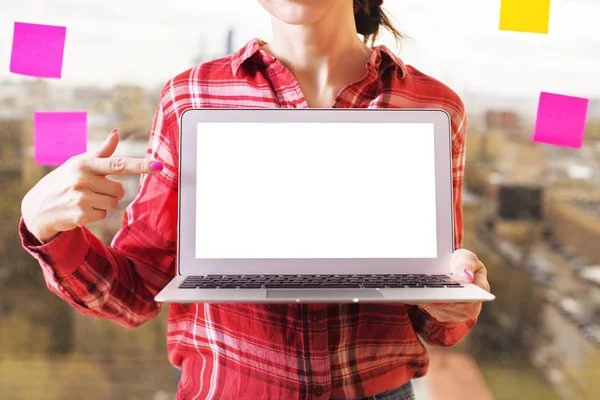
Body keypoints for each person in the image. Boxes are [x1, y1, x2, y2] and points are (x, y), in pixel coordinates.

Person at [19, 0, 491, 398]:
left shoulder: (435, 106)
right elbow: (135, 293)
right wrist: (47, 228)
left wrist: (456, 299)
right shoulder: (192, 97)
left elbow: (436, 315)